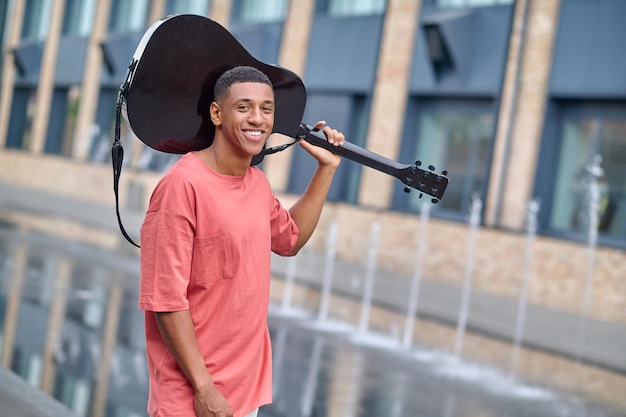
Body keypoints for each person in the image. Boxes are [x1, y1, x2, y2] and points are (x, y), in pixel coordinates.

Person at [138, 66, 345, 417]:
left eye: (267, 109)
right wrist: (204, 389)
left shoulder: (257, 184)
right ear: (217, 114)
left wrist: (326, 169)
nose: (258, 119)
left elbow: (289, 239)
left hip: (246, 394)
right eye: (244, 107)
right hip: (193, 398)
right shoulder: (181, 187)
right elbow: (166, 301)